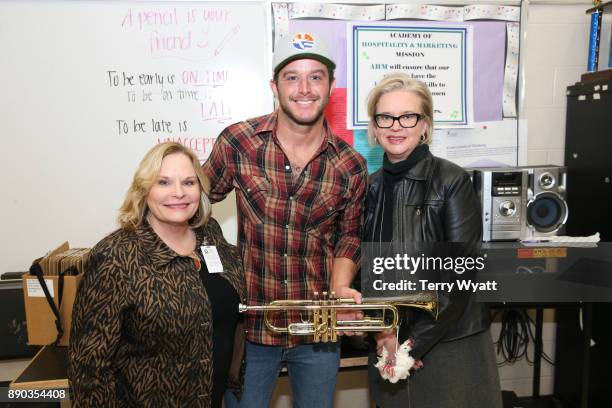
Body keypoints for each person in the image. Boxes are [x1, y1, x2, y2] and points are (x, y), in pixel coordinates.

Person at [202, 31, 368, 408]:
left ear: (331, 85)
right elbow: (194, 204)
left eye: (316, 76)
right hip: (253, 324)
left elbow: (349, 235)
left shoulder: (351, 165)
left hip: (318, 330)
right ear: (275, 86)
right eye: (292, 77)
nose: (304, 88)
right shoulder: (238, 142)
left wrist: (341, 288)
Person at [68, 142, 245, 407]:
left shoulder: (211, 236)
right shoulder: (116, 256)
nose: (178, 193)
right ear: (144, 190)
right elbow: (89, 365)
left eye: (188, 182)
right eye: (163, 183)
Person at [363, 73, 502, 408]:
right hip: (388, 343)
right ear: (375, 126)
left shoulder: (451, 181)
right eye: (386, 117)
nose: (396, 126)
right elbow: (367, 270)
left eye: (407, 116)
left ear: (424, 124)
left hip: (449, 342)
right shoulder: (370, 186)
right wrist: (382, 334)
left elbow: (459, 275)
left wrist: (412, 344)